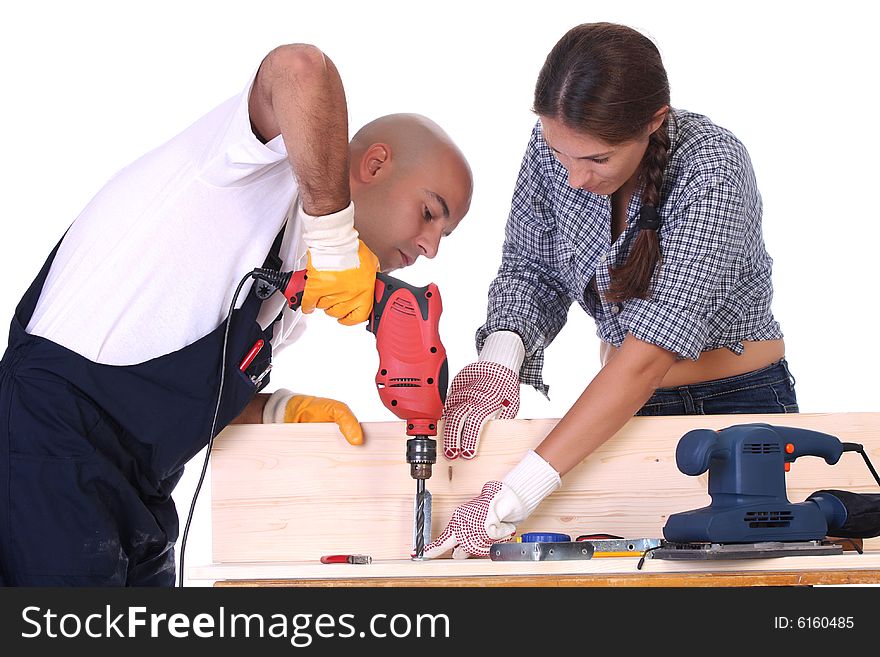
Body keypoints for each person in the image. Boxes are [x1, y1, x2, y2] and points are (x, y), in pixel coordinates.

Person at [0, 43, 472, 585]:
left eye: (445, 233)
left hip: (140, 493)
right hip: (49, 451)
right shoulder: (249, 163)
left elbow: (170, 395)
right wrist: (336, 241)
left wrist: (275, 410)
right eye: (430, 212)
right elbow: (299, 68)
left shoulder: (293, 286)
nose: (431, 246)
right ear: (375, 163)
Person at [423, 22, 795, 559]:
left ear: (653, 122)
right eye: (560, 153)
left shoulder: (714, 169)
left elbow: (647, 358)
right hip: (624, 411)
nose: (573, 176)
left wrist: (510, 497)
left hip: (739, 407)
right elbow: (533, 267)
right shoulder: (558, 146)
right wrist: (499, 361)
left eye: (597, 160)